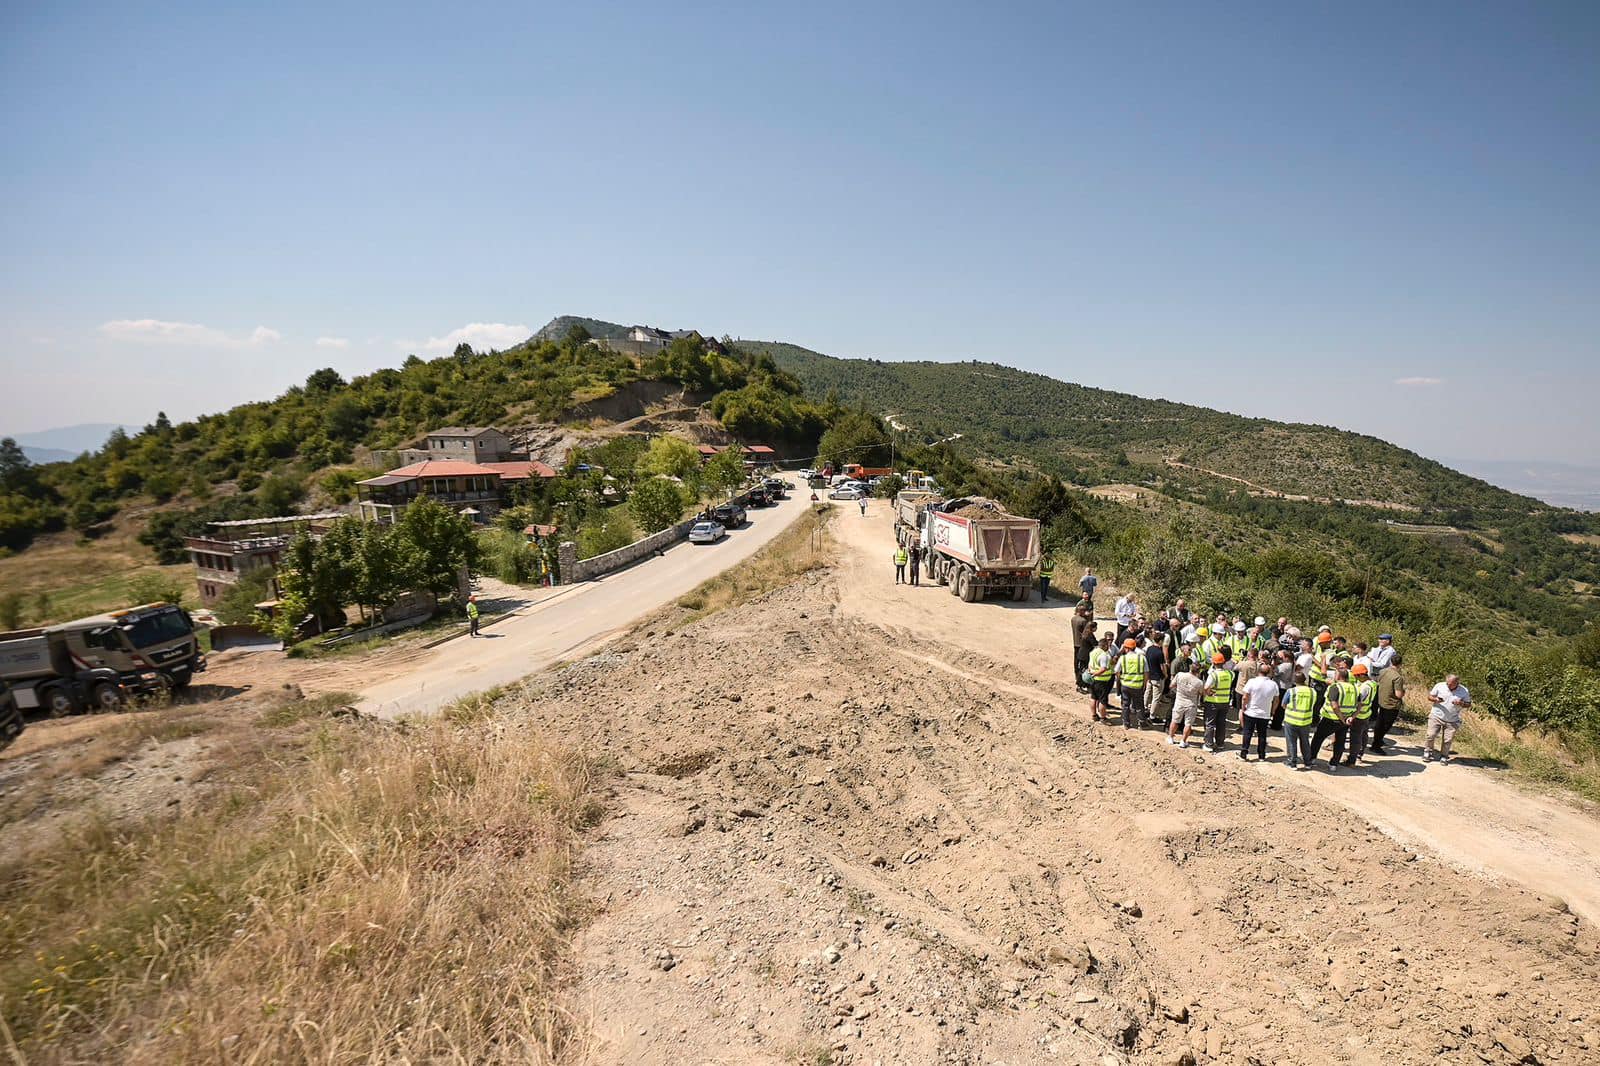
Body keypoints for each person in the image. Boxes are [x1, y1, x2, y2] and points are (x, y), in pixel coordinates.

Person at [1310, 666, 1356, 770]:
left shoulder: (1335, 687)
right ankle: (1334, 764)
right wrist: (1351, 717)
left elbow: (1334, 705)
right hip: (1346, 720)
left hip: (1331, 718)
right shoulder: (1354, 688)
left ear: (1338, 676)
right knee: (1340, 741)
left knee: (1318, 738)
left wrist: (1341, 718)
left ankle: (1311, 758)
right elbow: (1360, 705)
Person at [1425, 674, 1471, 764]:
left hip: (1452, 719)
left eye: (1450, 684)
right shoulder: (1440, 685)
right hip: (1436, 715)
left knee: (1448, 739)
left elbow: (1468, 704)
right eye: (1447, 683)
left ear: (1457, 683)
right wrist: (1435, 699)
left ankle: (1444, 756)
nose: (1448, 685)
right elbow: (1429, 697)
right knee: (1430, 735)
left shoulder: (1464, 690)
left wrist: (1461, 703)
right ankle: (1428, 752)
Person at [1239, 661, 1278, 761]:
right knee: (1262, 735)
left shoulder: (1252, 682)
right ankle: (1261, 755)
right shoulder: (1273, 684)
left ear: (1258, 671)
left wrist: (1243, 707)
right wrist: (1272, 711)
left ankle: (1244, 753)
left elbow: (1245, 697)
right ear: (1269, 672)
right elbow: (1276, 700)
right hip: (1265, 714)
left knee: (1247, 733)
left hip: (1251, 712)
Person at [1370, 652, 1406, 754]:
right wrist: (1404, 692)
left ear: (1391, 661)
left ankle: (1378, 741)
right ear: (1400, 664)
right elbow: (1398, 694)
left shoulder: (1383, 671)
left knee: (1379, 722)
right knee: (1385, 725)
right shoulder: (1398, 677)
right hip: (1392, 704)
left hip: (1381, 700)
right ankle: (1376, 744)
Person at [1281, 671, 1316, 769]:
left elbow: (1283, 704)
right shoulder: (1313, 691)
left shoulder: (1291, 691)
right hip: (1306, 721)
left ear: (1294, 680)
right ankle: (1308, 762)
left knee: (1291, 742)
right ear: (1305, 680)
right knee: (1305, 742)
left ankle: (1292, 762)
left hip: (1291, 720)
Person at [1201, 651, 1234, 753]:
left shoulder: (1213, 675)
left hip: (1213, 702)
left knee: (1210, 723)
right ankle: (1220, 744)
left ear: (1214, 663)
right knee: (1221, 723)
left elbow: (1206, 688)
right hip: (1225, 702)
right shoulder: (1230, 674)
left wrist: (1209, 693)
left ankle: (1209, 744)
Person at [1346, 663, 1377, 765]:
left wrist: (1352, 715)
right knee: (1363, 735)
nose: (1355, 678)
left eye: (1356, 676)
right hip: (1366, 713)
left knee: (1355, 738)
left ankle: (1352, 760)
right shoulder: (1372, 683)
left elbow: (1359, 702)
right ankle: (1359, 754)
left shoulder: (1365, 687)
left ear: (1361, 675)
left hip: (1359, 715)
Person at [1168, 660, 1202, 748]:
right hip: (1191, 705)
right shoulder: (1199, 682)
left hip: (1179, 701)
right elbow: (1202, 693)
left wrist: (1179, 688)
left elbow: (1171, 685)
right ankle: (1183, 741)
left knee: (1175, 721)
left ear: (1190, 668)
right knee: (1188, 724)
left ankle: (1171, 737)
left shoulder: (1180, 675)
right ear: (1199, 671)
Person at [1116, 637, 1147, 730]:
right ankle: (1141, 723)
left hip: (1125, 685)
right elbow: (1146, 672)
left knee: (1125, 705)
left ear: (1126, 648)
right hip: (1138, 685)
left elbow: (1117, 671)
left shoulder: (1123, 658)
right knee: (1139, 705)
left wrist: (1121, 679)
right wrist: (1144, 683)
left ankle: (1126, 723)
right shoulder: (1141, 658)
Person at [1144, 626, 1169, 726]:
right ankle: (1152, 716)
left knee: (1147, 693)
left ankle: (1144, 709)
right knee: (1156, 698)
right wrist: (1166, 675)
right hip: (1158, 678)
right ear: (1161, 641)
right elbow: (1162, 666)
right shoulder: (1159, 652)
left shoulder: (1149, 649)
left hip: (1150, 676)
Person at [1088, 633, 1115, 722]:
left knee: (1093, 698)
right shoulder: (1104, 655)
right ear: (1105, 645)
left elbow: (1090, 664)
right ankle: (1103, 718)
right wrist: (1096, 674)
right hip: (1102, 681)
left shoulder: (1093, 652)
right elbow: (1103, 668)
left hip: (1093, 680)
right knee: (1103, 701)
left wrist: (1092, 673)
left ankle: (1093, 715)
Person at [1072, 605, 1096, 693]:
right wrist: (1088, 617)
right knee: (1083, 667)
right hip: (1083, 645)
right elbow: (1087, 627)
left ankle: (1077, 675)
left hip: (1076, 642)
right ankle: (1081, 683)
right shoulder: (1083, 621)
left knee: (1077, 662)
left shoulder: (1073, 619)